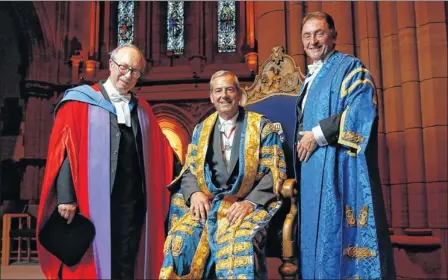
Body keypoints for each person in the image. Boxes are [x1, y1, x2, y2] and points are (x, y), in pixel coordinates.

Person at [36, 44, 175, 279]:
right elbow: (64, 151)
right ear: (111, 65)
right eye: (124, 67)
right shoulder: (79, 102)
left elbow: (165, 154)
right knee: (92, 261)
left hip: (133, 204)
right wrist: (66, 197)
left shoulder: (143, 110)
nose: (128, 75)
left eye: (135, 72)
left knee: (128, 258)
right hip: (91, 201)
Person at [293, 11, 396, 279]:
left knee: (335, 235)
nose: (312, 41)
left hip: (339, 169)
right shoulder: (309, 79)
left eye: (319, 33)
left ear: (334, 36)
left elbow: (362, 110)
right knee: (314, 240)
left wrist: (317, 134)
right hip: (312, 172)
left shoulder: (350, 68)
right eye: (307, 35)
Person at [159, 70, 286, 279]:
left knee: (236, 246)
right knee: (179, 241)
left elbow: (275, 171)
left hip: (245, 204)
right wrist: (194, 195)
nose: (224, 95)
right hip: (209, 203)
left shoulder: (262, 126)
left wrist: (251, 203)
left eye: (229, 89)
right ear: (211, 97)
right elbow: (189, 169)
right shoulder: (201, 129)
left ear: (239, 94)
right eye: (218, 90)